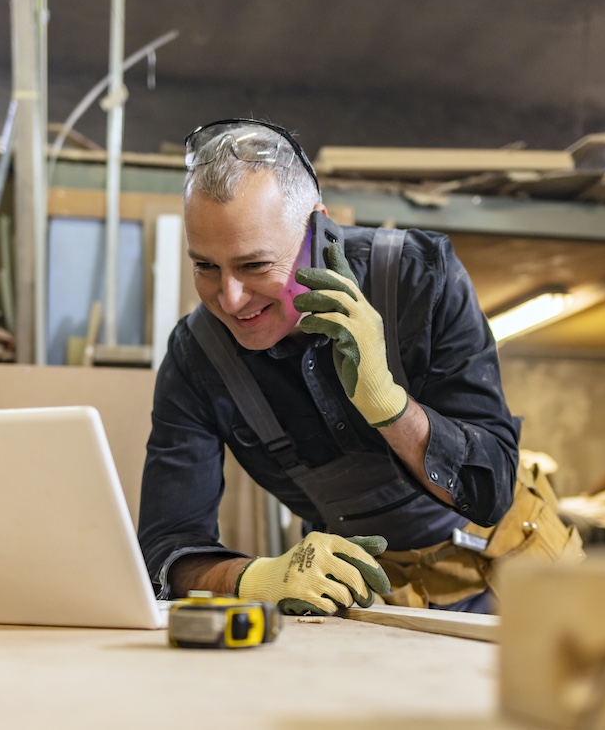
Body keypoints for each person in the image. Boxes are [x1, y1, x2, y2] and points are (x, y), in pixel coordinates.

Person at [137, 118, 520, 615]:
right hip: (365, 599)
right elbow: (165, 551)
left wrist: (388, 404)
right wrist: (254, 578)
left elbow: (493, 490)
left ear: (315, 230)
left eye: (255, 266)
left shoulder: (419, 279)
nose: (229, 299)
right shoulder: (197, 358)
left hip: (513, 574)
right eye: (205, 266)